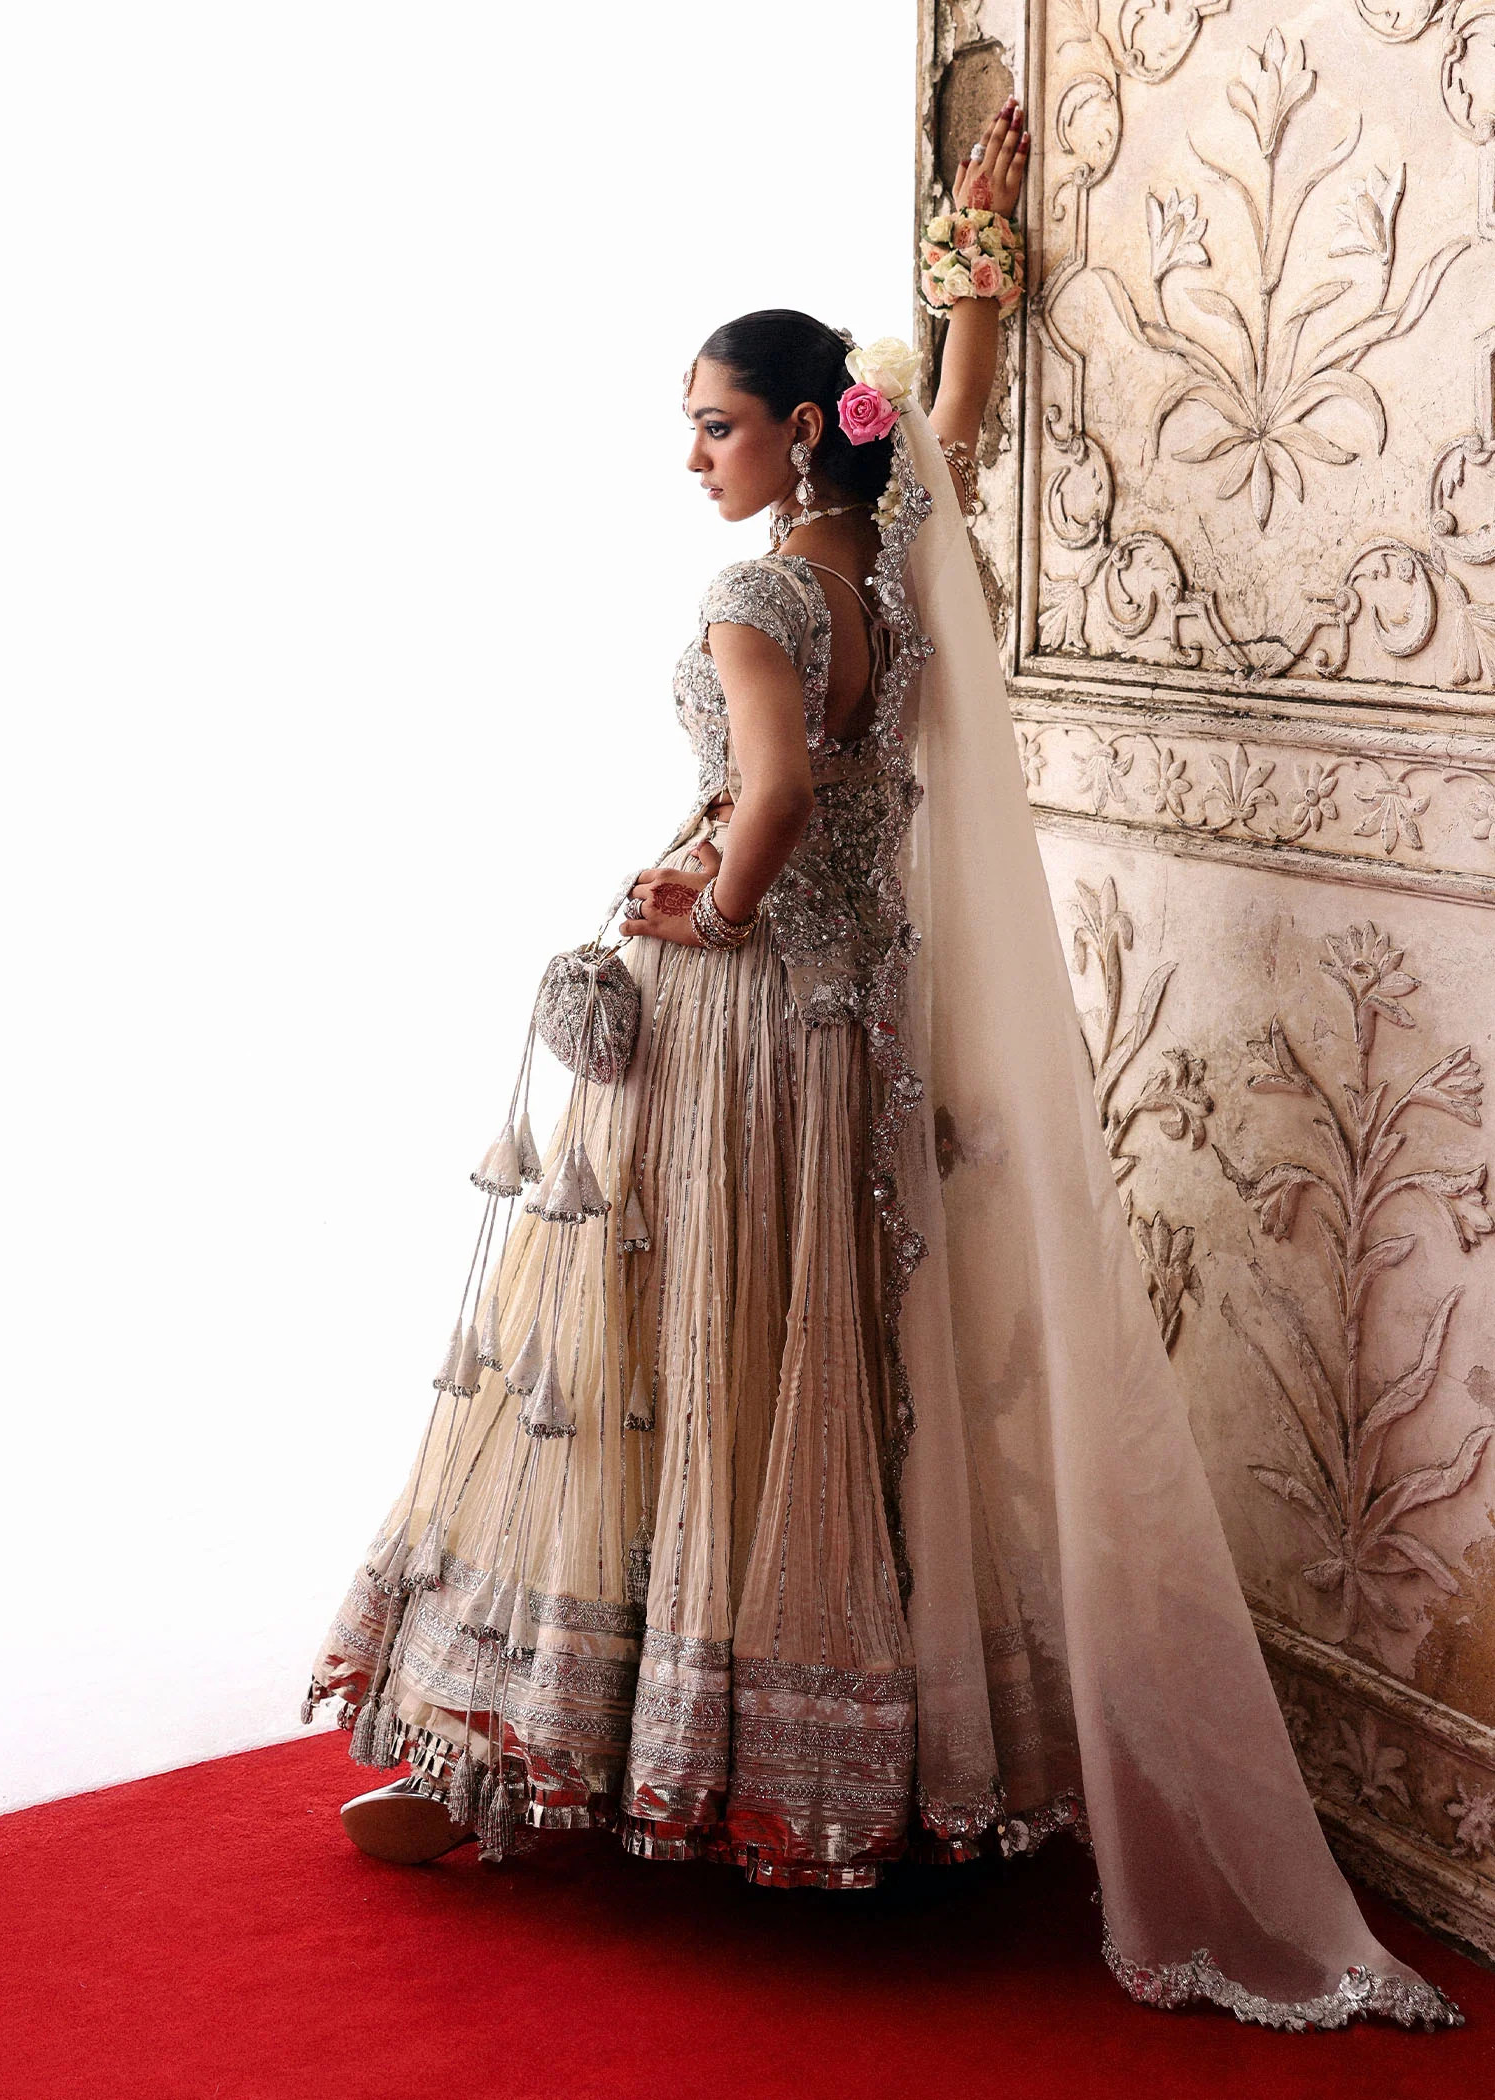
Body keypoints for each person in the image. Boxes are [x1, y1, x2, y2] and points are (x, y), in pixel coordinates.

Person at [300, 102, 1463, 2031]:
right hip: (859, 1038)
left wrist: (698, 907)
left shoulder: (754, 597)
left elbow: (765, 800)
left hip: (744, 1025)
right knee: (821, 1350)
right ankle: (819, 1761)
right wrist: (974, 269)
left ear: (791, 430)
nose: (691, 456)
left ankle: (560, 1754)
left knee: (670, 1340)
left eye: (712, 426)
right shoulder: (902, 559)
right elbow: (958, 426)